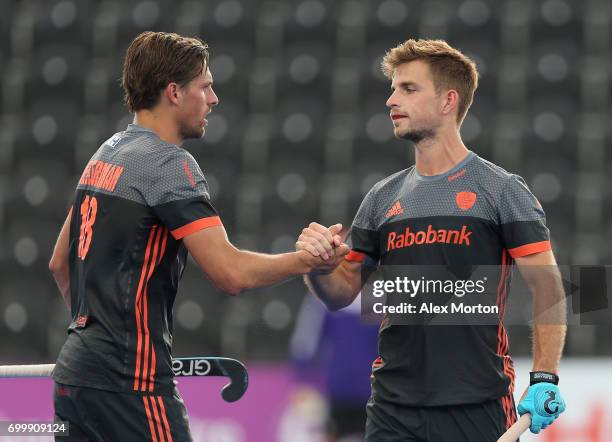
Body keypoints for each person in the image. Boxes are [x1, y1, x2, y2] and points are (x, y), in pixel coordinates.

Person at [48, 31, 348, 441]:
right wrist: (308, 261)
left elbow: (60, 263)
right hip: (130, 380)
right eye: (205, 86)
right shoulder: (169, 164)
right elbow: (230, 273)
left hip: (73, 376)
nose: (214, 98)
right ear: (174, 92)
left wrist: (92, 342)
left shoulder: (104, 155)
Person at [296, 39, 567, 441]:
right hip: (392, 408)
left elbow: (548, 285)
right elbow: (340, 292)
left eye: (407, 88)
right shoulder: (381, 198)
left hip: (477, 404)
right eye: (392, 89)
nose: (391, 100)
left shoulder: (502, 190)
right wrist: (317, 267)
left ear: (448, 101)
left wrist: (545, 376)